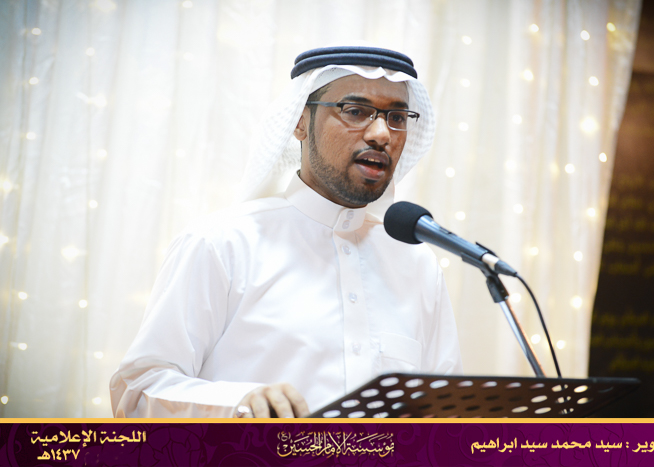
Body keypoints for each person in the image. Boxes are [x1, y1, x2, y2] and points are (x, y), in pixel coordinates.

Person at [110, 46, 463, 418]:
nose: (381, 134)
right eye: (355, 111)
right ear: (299, 121)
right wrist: (237, 406)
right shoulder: (223, 244)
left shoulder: (417, 262)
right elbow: (138, 391)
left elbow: (447, 415)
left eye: (396, 117)